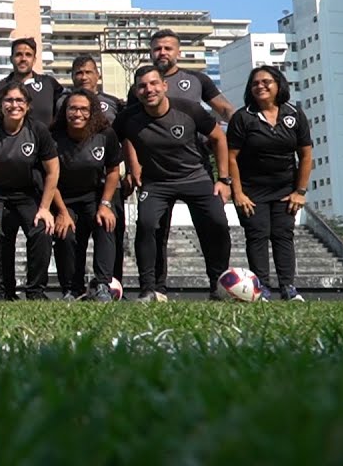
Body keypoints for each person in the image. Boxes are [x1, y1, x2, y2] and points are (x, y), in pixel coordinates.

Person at [115, 66, 233, 301]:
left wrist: (224, 179)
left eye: (153, 84)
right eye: (142, 86)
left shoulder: (189, 109)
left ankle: (218, 285)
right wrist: (130, 169)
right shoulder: (129, 118)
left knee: (218, 224)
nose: (149, 89)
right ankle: (151, 289)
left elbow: (218, 137)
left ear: (164, 86)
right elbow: (113, 142)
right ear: (136, 92)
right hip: (156, 182)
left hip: (195, 177)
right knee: (147, 225)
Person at [227, 66, 312, 301]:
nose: (260, 86)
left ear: (278, 85)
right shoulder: (242, 117)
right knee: (257, 234)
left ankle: (288, 287)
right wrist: (239, 193)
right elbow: (231, 157)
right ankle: (261, 287)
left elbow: (305, 155)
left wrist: (300, 191)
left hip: (285, 189)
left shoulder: (294, 114)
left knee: (284, 234)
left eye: (266, 81)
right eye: (255, 83)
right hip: (251, 190)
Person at [0, 81, 60, 300]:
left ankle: (35, 291)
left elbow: (53, 170)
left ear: (28, 105)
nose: (14, 105)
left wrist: (46, 208)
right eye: (8, 100)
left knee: (42, 228)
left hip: (27, 193)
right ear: (1, 105)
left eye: (19, 100)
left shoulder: (37, 130)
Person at [49, 90, 122, 301]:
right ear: (65, 111)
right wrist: (61, 212)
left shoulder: (105, 134)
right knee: (66, 234)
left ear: (92, 112)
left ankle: (102, 284)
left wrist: (105, 204)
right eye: (73, 108)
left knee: (105, 224)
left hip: (93, 196)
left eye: (83, 109)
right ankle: (72, 289)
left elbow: (113, 171)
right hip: (63, 198)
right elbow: (49, 178)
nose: (78, 113)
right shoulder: (54, 137)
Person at [70, 54, 127, 282]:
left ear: (98, 75)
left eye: (88, 72)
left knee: (112, 232)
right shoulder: (65, 102)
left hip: (108, 182)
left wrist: (131, 171)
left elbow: (127, 138)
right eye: (78, 73)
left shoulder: (113, 103)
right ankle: (75, 286)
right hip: (75, 181)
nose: (83, 77)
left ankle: (113, 285)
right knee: (76, 237)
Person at [0, 38, 62, 128]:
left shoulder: (49, 84)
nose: (23, 59)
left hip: (44, 141)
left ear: (34, 60)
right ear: (11, 59)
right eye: (18, 54)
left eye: (28, 55)